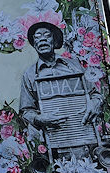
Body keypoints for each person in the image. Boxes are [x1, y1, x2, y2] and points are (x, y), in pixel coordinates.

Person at [19, 21, 102, 159]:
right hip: (54, 146)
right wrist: (40, 119)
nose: (42, 39)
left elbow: (95, 95)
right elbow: (26, 111)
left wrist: (95, 104)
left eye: (47, 35)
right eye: (38, 37)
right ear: (34, 44)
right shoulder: (29, 75)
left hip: (86, 144)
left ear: (54, 40)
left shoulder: (74, 66)